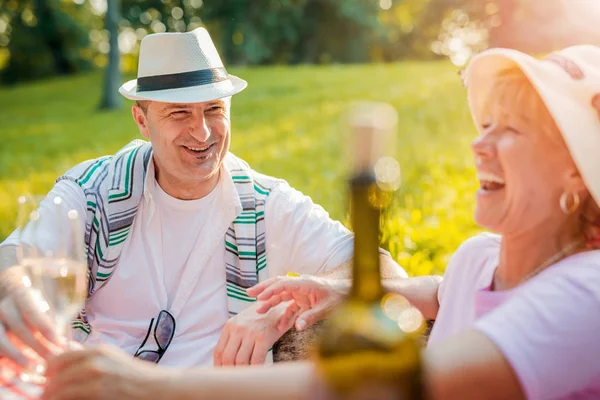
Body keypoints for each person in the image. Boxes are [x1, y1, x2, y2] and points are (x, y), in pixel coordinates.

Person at [40, 44, 600, 400]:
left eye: (511, 130)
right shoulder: (480, 258)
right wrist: (323, 290)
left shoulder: (586, 293)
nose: (477, 144)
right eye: (179, 114)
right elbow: (431, 288)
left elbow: (406, 385)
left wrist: (148, 388)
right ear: (142, 120)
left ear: (579, 173)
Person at [0, 27, 407, 371]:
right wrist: (16, 291)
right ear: (142, 120)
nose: (204, 133)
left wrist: (277, 312)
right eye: (179, 114)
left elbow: (385, 271)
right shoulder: (90, 191)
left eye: (214, 109)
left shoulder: (266, 203)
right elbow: (10, 263)